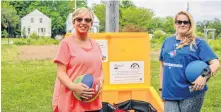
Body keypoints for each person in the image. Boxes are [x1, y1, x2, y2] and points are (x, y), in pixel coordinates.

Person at [159, 10, 220, 112]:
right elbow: (162, 66)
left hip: (191, 92)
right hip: (170, 93)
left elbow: (216, 63)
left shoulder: (198, 42)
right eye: (179, 22)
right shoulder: (167, 41)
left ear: (190, 24)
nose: (182, 24)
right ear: (175, 24)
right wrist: (161, 89)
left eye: (185, 22)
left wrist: (203, 77)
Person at [52, 7, 104, 112]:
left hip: (93, 101)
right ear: (73, 22)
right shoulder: (66, 44)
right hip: (72, 101)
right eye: (79, 19)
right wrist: (74, 87)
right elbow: (61, 73)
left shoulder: (96, 45)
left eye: (87, 20)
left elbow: (100, 69)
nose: (83, 22)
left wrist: (101, 81)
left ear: (91, 24)